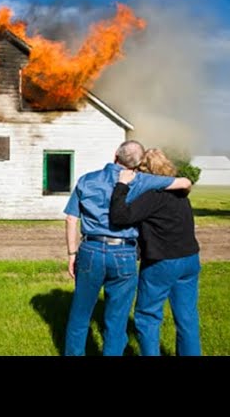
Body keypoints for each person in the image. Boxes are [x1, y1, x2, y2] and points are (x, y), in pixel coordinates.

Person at [63, 140, 193, 356]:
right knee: (117, 319)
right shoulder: (142, 181)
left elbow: (70, 219)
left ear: (115, 155)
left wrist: (72, 254)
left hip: (90, 250)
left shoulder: (87, 180)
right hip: (124, 253)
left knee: (80, 315)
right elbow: (183, 183)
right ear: (138, 162)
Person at [109, 148, 201, 356]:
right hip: (190, 259)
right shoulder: (180, 194)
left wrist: (121, 186)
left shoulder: (153, 195)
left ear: (144, 170)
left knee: (147, 316)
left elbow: (120, 216)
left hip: (162, 262)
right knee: (187, 318)